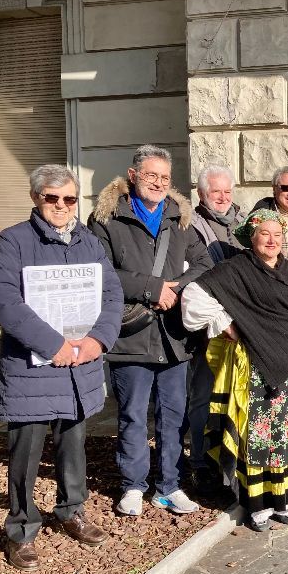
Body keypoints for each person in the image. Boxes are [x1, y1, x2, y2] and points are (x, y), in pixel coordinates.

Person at [181, 209, 288, 531]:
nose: (272, 240)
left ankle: (282, 499)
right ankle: (258, 505)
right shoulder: (235, 270)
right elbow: (192, 296)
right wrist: (225, 323)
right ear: (252, 236)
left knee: (287, 439)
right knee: (259, 440)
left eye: (278, 235)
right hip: (258, 368)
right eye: (265, 234)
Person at [0, 164, 123, 571]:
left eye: (69, 198)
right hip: (32, 368)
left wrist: (98, 339)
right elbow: (4, 302)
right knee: (25, 452)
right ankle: (21, 529)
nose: (61, 205)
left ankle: (72, 510)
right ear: (36, 198)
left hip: (78, 365)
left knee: (72, 446)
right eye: (52, 197)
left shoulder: (90, 242)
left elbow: (111, 295)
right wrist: (53, 344)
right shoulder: (13, 241)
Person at [88, 145, 213, 516]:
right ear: (133, 175)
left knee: (174, 415)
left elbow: (204, 264)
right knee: (132, 414)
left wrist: (173, 288)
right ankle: (132, 485)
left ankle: (170, 485)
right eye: (150, 175)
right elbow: (100, 272)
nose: (158, 183)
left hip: (174, 337)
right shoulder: (108, 218)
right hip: (131, 333)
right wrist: (149, 288)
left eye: (164, 177)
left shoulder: (179, 217)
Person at [187, 164, 247, 496]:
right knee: (203, 399)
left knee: (234, 399)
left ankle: (231, 462)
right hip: (209, 331)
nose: (222, 198)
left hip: (241, 328)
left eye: (227, 192)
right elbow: (196, 278)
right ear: (201, 194)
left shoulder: (243, 224)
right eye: (215, 192)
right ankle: (200, 463)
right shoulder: (191, 227)